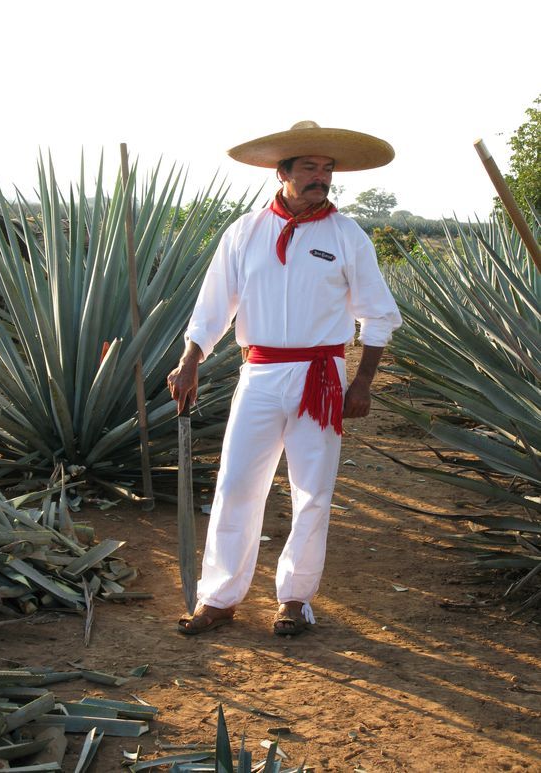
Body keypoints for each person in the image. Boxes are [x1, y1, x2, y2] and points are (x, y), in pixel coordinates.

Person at [167, 121, 402, 636]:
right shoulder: (245, 232)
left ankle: (295, 599)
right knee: (235, 483)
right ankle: (220, 598)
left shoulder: (347, 235)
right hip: (261, 372)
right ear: (283, 173)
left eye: (327, 169)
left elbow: (378, 313)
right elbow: (214, 304)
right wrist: (191, 360)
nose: (321, 177)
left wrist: (361, 383)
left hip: (322, 375)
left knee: (312, 490)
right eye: (310, 168)